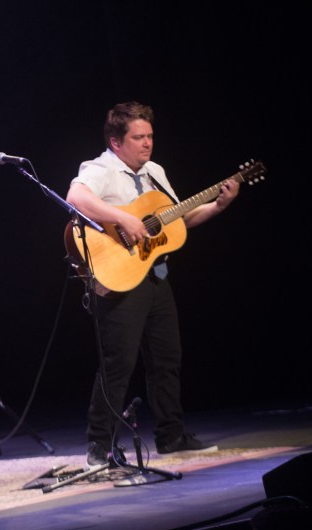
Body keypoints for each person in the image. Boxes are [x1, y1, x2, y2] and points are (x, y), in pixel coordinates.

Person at [65, 101, 240, 468]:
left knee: (167, 359)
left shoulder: (154, 171)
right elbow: (76, 198)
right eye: (138, 137)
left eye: (150, 136)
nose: (147, 144)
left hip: (156, 275)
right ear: (116, 142)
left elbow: (178, 220)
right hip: (120, 279)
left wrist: (219, 206)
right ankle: (100, 446)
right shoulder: (100, 169)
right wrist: (121, 219)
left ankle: (171, 436)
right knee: (118, 365)